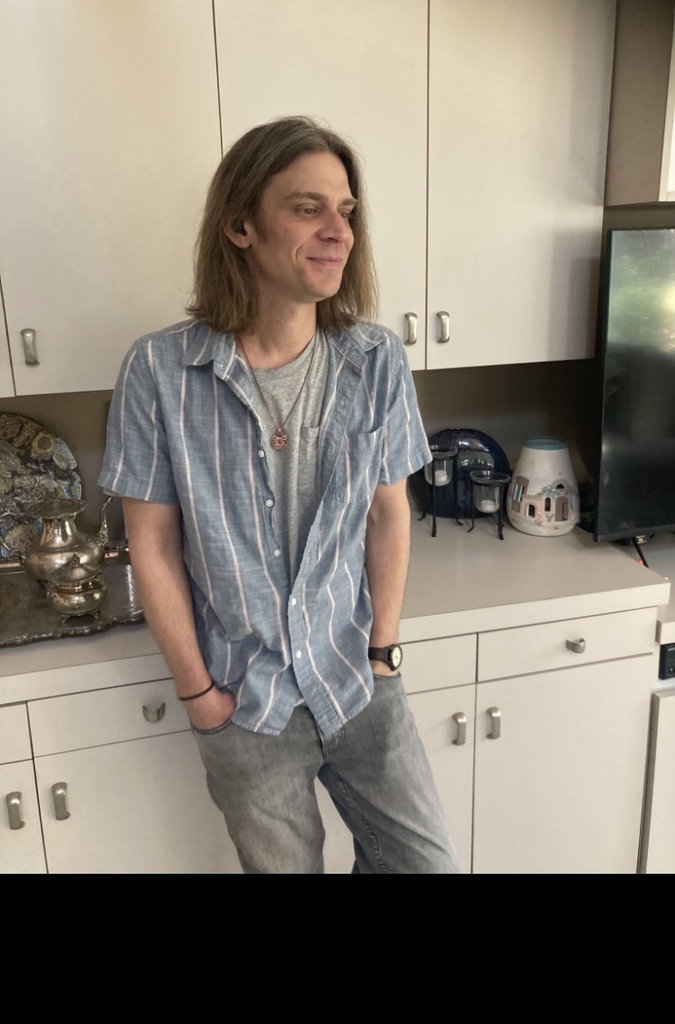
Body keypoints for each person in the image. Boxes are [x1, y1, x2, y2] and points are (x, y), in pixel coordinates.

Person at [99, 116, 459, 874]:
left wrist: (384, 651)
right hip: (245, 700)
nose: (339, 232)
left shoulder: (375, 359)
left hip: (356, 681)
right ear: (240, 226)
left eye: (346, 211)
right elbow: (151, 544)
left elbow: (388, 511)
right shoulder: (159, 372)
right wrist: (198, 693)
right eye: (307, 208)